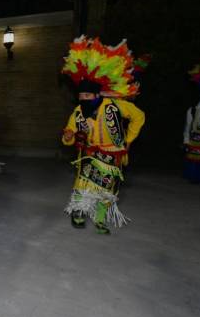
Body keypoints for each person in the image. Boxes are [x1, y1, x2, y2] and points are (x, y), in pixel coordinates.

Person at [60, 37, 145, 234]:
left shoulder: (115, 106)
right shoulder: (78, 112)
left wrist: (128, 140)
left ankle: (100, 220)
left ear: (97, 96)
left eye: (87, 97)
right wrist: (68, 136)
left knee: (108, 190)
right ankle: (79, 213)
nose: (84, 100)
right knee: (83, 185)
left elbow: (139, 116)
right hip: (89, 153)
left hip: (113, 155)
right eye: (81, 97)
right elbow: (68, 137)